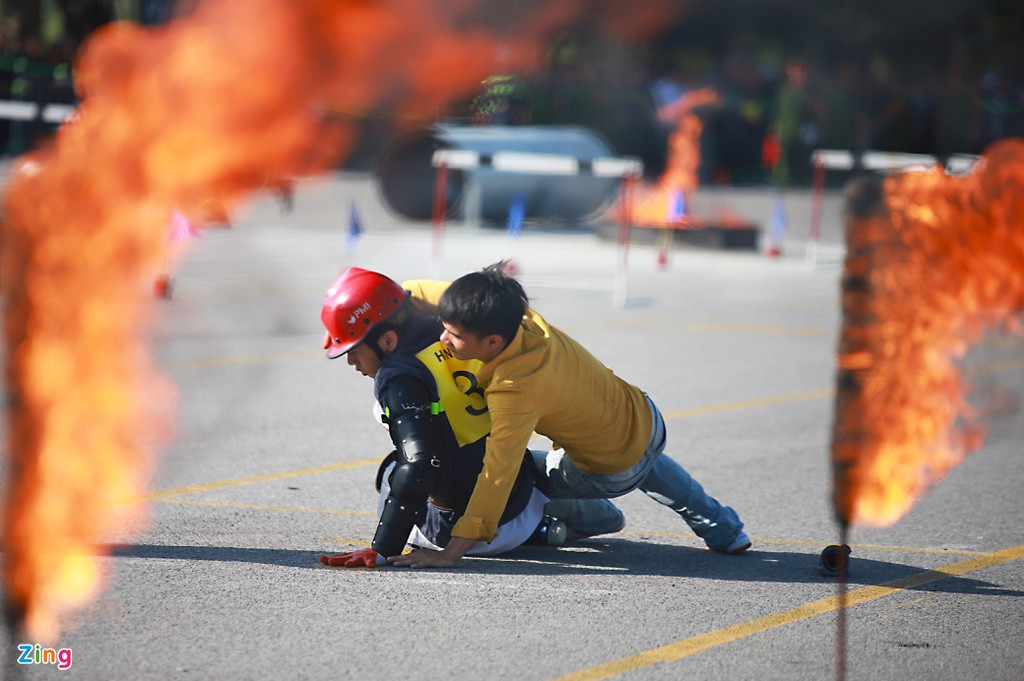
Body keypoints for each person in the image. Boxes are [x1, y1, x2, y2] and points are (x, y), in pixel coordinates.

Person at [389, 262, 750, 569]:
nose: (443, 338)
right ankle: (725, 530)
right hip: (647, 419)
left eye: (453, 335)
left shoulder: (514, 390)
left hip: (611, 471)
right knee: (643, 456)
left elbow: (497, 475)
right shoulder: (523, 318)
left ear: (493, 343)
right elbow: (415, 290)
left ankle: (600, 517)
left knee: (526, 471)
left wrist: (452, 552)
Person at [317, 267, 624, 567]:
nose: (351, 361)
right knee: (611, 518)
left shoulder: (398, 376)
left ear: (387, 341)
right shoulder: (460, 328)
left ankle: (540, 533)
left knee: (392, 469)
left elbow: (419, 466)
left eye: (353, 350)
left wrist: (383, 549)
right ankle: (540, 527)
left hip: (459, 535)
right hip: (520, 494)